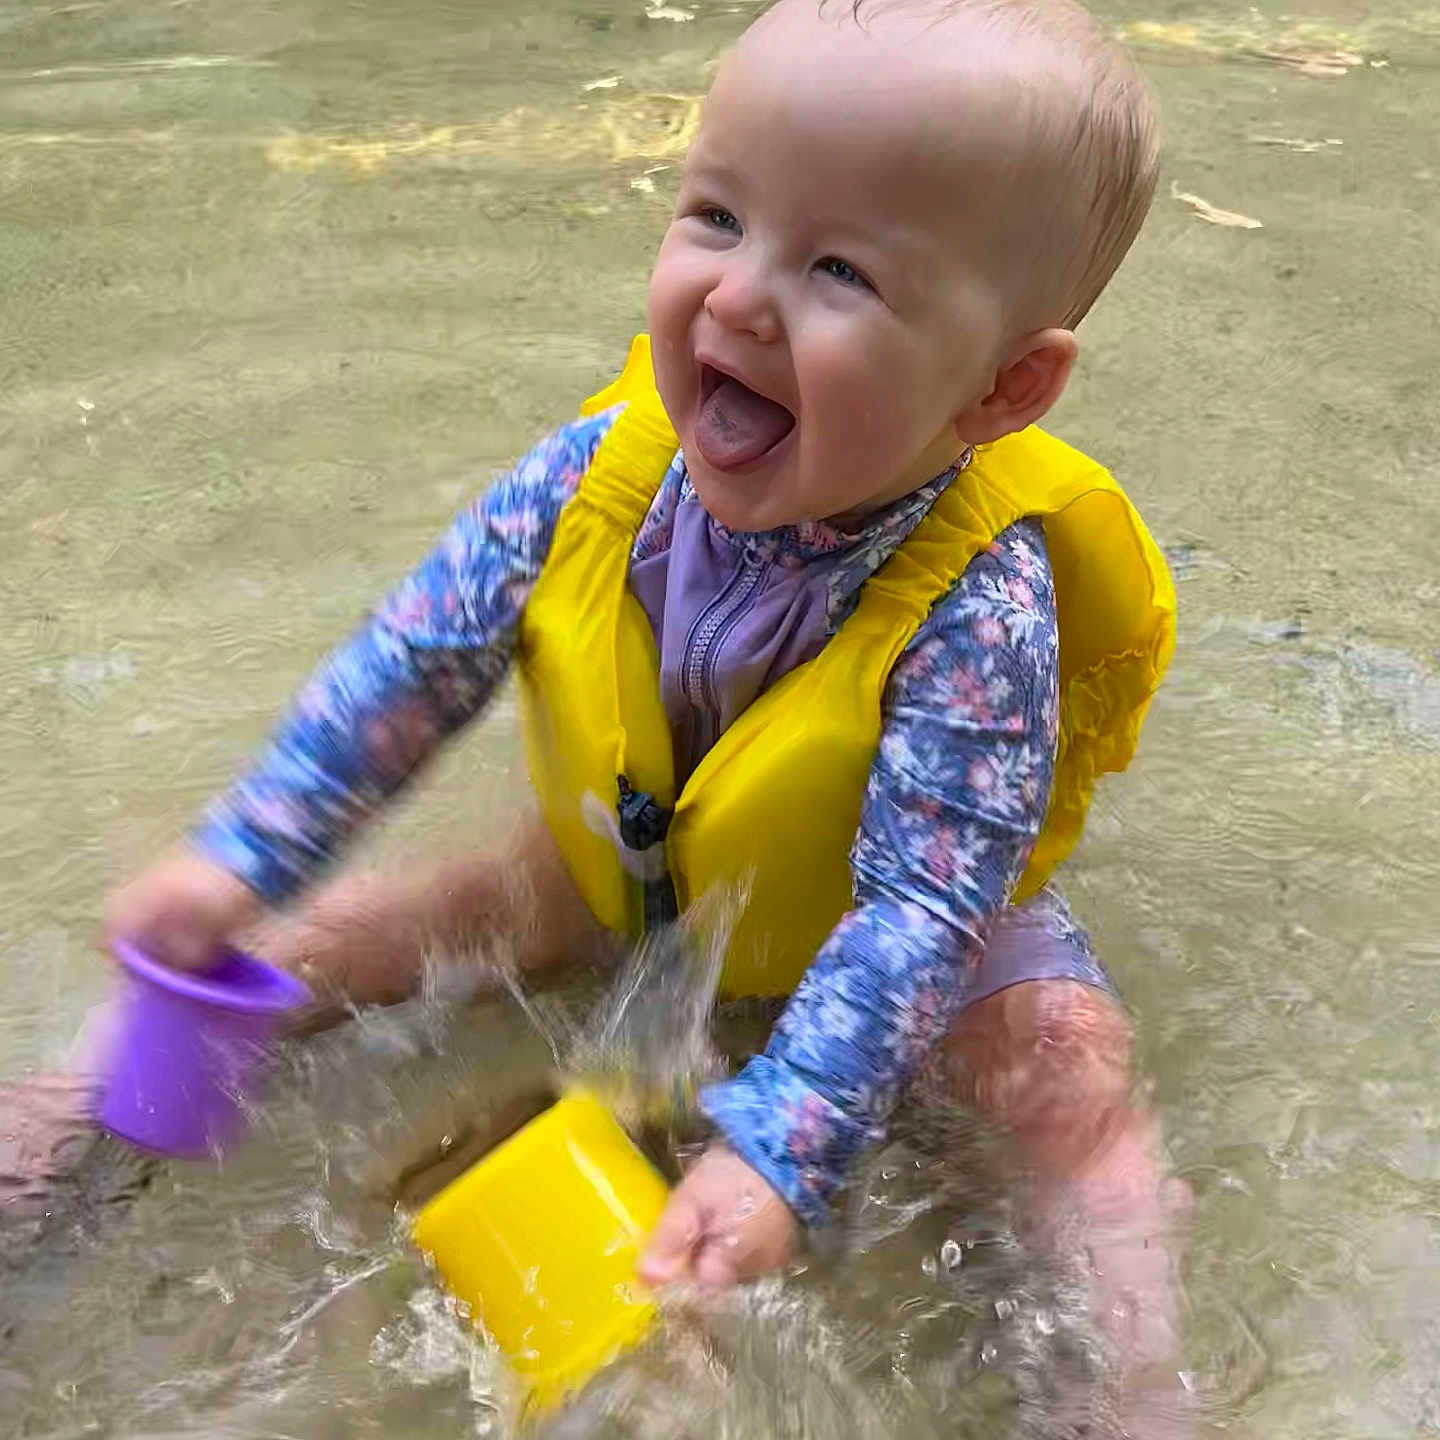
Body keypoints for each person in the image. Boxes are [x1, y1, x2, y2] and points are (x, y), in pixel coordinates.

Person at [103, 0, 1187, 1394]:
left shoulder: (978, 612)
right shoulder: (590, 480)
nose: (739, 298)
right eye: (720, 219)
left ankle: (1139, 1395)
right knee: (405, 919)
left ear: (1002, 385)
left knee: (1065, 1071)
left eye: (842, 270)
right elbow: (406, 672)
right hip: (641, 864)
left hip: (915, 932)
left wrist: (780, 1146)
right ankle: (84, 1104)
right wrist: (237, 861)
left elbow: (921, 918)